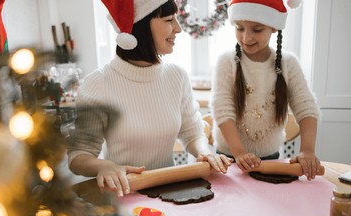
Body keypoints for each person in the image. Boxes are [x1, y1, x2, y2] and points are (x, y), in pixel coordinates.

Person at [67, 0, 232, 197]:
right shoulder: (99, 83)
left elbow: (192, 133)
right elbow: (78, 156)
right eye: (169, 20)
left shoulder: (176, 76)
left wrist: (205, 152)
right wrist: (105, 166)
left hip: (171, 193)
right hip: (125, 196)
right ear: (141, 26)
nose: (178, 29)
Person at [210, 0, 321, 180]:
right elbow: (222, 109)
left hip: (271, 161)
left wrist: (307, 150)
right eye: (239, 28)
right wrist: (240, 153)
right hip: (229, 161)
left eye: (257, 29)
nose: (246, 38)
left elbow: (306, 106)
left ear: (274, 27)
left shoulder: (288, 63)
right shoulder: (226, 61)